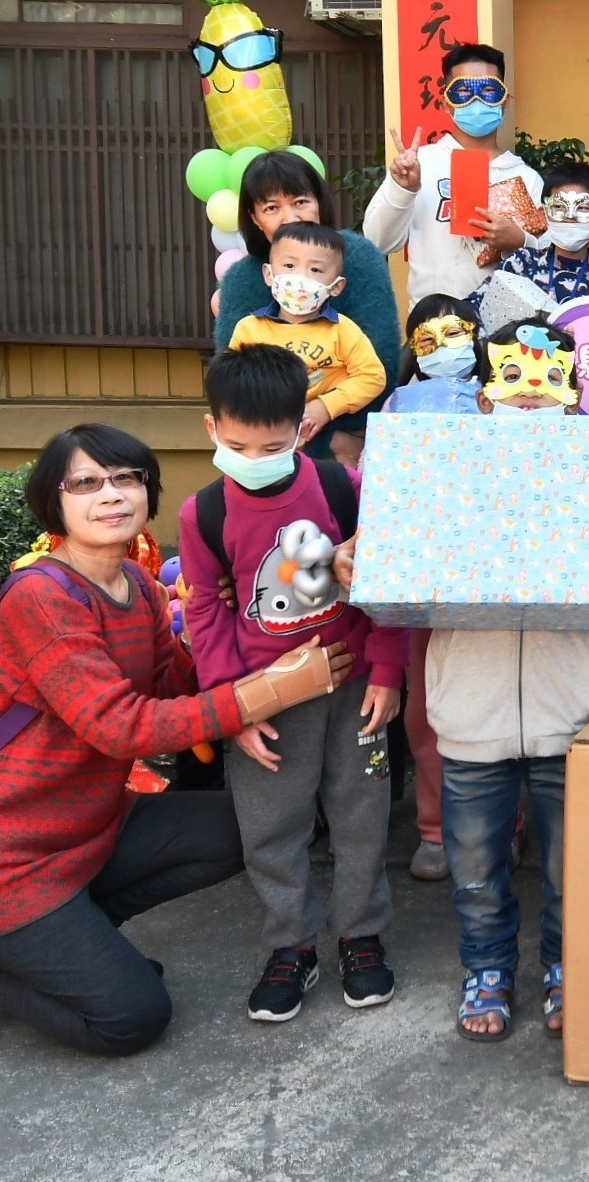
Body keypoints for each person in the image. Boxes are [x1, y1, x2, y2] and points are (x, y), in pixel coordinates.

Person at [0, 424, 351, 1055]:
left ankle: (75, 933)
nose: (111, 494)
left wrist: (229, 622)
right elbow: (121, 726)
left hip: (96, 828)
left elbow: (170, 685)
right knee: (133, 1017)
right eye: (86, 483)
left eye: (126, 478)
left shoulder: (136, 587)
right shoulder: (41, 597)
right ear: (55, 501)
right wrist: (263, 693)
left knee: (249, 827)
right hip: (16, 860)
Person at [425, 318, 589, 1042]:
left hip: (574, 710)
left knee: (572, 863)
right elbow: (399, 557)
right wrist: (364, 560)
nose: (530, 393)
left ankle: (567, 964)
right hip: (471, 709)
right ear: (483, 395)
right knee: (475, 866)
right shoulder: (443, 472)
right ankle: (486, 968)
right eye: (511, 378)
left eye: (549, 379)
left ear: (574, 393)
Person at [178, 345, 408, 1023]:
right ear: (212, 429)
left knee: (362, 816)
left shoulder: (342, 487)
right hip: (267, 696)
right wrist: (233, 706)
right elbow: (204, 608)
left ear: (301, 429)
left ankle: (360, 936)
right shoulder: (203, 513)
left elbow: (388, 574)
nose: (254, 458)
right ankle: (292, 945)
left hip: (355, 686)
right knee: (270, 825)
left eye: (273, 446)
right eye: (237, 445)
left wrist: (388, 669)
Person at [383, 296, 487, 881]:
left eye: (456, 334)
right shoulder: (397, 404)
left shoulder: (501, 395)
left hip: (490, 579)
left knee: (490, 711)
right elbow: (381, 482)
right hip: (422, 580)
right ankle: (433, 828)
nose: (444, 348)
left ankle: (502, 826)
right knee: (424, 714)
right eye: (428, 338)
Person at [217, 150, 401, 467]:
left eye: (300, 202)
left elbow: (381, 360)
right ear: (254, 218)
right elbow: (234, 376)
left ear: (319, 202)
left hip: (349, 436)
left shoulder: (358, 257)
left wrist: (328, 421)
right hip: (268, 445)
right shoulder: (241, 279)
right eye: (272, 208)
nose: (290, 217)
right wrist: (279, 437)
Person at [364, 42, 545, 310]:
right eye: (463, 92)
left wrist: (519, 241)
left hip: (500, 326)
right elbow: (378, 242)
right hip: (432, 322)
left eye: (489, 91)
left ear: (505, 102)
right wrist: (404, 190)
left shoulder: (525, 178)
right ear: (446, 103)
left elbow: (549, 259)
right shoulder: (419, 165)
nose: (476, 100)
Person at [228, 223, 388, 459]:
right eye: (289, 266)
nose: (300, 278)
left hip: (328, 437)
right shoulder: (249, 329)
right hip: (265, 433)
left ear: (336, 286)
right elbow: (233, 383)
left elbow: (373, 376)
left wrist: (326, 406)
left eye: (315, 269)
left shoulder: (342, 330)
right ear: (269, 274)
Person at [468, 163, 589, 324]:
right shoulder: (522, 262)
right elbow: (475, 306)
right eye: (559, 206)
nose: (570, 216)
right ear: (544, 214)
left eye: (582, 207)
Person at [386, 295, 490, 416]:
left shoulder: (496, 398)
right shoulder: (398, 402)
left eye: (453, 333)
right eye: (427, 339)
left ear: (475, 339)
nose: (441, 344)